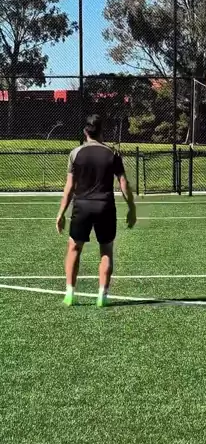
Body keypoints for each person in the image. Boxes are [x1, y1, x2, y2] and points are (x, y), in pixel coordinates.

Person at [56, 114, 137, 307]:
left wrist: (61, 213)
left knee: (74, 248)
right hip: (105, 206)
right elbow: (123, 183)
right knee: (106, 250)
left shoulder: (75, 153)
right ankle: (102, 296)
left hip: (82, 206)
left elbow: (70, 187)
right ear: (102, 131)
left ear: (85, 131)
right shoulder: (113, 154)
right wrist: (132, 208)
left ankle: (70, 293)